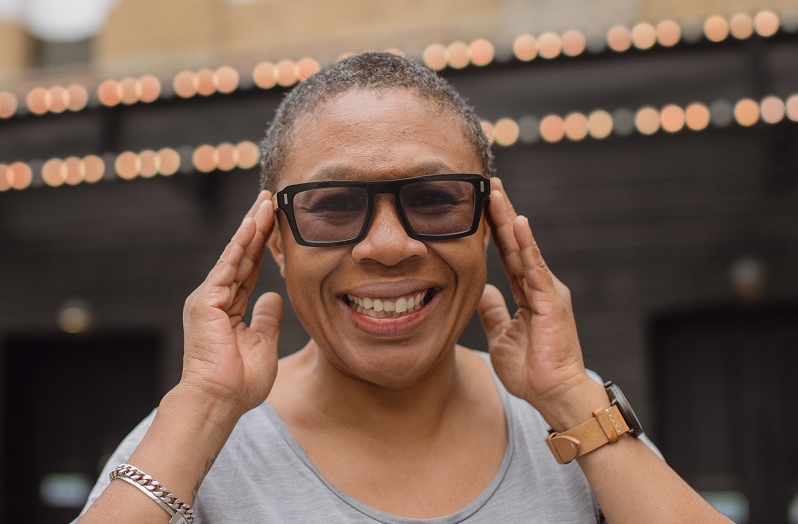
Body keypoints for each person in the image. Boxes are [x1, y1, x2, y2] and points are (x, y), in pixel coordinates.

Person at [76, 52, 728, 523]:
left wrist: (568, 396)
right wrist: (202, 410)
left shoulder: (577, 420)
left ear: (489, 224)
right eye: (334, 205)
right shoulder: (186, 444)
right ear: (275, 238)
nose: (388, 246)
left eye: (434, 199)